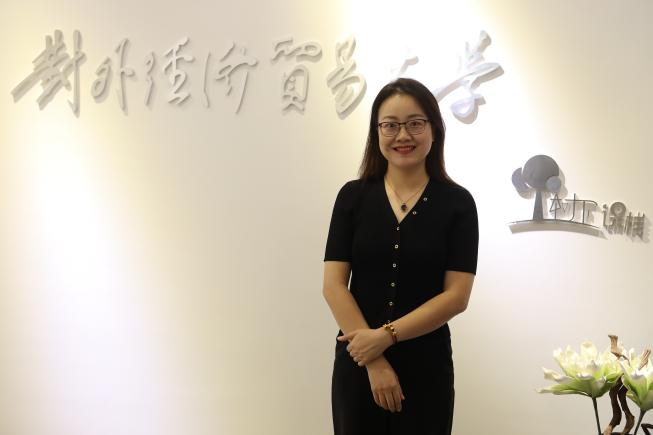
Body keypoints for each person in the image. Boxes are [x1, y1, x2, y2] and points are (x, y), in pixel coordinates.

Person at [323, 77, 478, 435]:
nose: (402, 135)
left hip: (426, 368)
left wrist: (386, 336)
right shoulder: (352, 197)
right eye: (390, 125)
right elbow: (333, 286)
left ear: (434, 129)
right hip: (359, 363)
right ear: (376, 132)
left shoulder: (458, 204)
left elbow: (457, 296)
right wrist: (374, 359)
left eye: (415, 124)